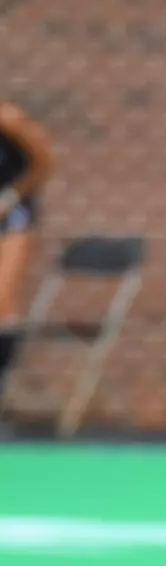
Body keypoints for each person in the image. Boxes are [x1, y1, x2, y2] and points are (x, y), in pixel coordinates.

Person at [0, 101, 55, 413]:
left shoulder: (9, 119)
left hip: (11, 214)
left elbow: (44, 162)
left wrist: (11, 196)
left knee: (2, 302)